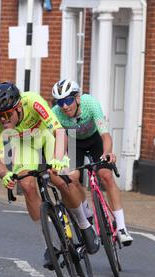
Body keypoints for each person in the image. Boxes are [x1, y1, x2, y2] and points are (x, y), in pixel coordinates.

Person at [0, 82, 99, 270]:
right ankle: (51, 244)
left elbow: (59, 131)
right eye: (0, 115)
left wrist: (58, 159)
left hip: (47, 136)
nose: (3, 119)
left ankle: (83, 223)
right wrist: (5, 175)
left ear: (19, 107)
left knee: (60, 177)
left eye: (7, 114)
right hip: (23, 145)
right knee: (27, 185)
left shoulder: (32, 101)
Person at [51, 79, 133, 246]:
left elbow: (105, 135)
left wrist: (107, 152)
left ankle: (122, 227)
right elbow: (60, 140)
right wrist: (58, 161)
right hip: (74, 142)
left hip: (95, 139)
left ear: (77, 98)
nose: (65, 106)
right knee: (72, 177)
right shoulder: (55, 113)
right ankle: (86, 211)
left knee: (106, 175)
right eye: (60, 102)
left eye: (68, 100)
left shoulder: (91, 103)